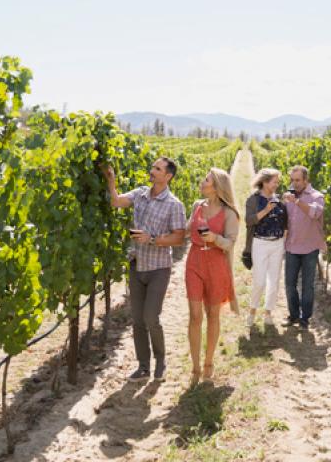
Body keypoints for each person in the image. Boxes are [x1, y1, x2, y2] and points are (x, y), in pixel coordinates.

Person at [102, 157, 186, 381]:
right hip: (136, 264)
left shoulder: (174, 205)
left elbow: (179, 238)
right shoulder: (140, 194)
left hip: (159, 268)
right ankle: (143, 366)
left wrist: (152, 239)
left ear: (167, 176)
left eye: (157, 169)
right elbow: (117, 202)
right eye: (153, 167)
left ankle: (161, 360)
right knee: (137, 320)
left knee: (151, 317)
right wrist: (111, 182)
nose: (152, 170)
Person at [186, 167, 240, 385]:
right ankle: (195, 367)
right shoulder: (197, 206)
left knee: (213, 315)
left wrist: (215, 238)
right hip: (195, 261)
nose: (202, 181)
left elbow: (230, 243)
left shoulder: (229, 213)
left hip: (217, 265)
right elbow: (187, 229)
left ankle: (209, 363)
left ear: (216, 186)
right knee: (195, 316)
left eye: (206, 179)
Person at [282, 165, 325, 330]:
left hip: (309, 248)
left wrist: (297, 202)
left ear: (306, 180)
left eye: (298, 180)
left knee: (308, 286)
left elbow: (314, 213)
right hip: (292, 247)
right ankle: (293, 315)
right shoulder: (289, 196)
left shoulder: (316, 196)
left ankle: (305, 319)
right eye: (292, 180)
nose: (294, 183)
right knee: (289, 284)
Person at [244, 168, 288, 328]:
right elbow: (249, 221)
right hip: (260, 243)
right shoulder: (253, 200)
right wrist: (266, 210)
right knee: (260, 281)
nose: (277, 184)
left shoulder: (279, 199)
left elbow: (284, 221)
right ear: (265, 182)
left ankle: (268, 312)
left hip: (277, 243)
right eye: (274, 181)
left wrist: (284, 237)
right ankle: (252, 310)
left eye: (278, 182)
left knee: (274, 280)